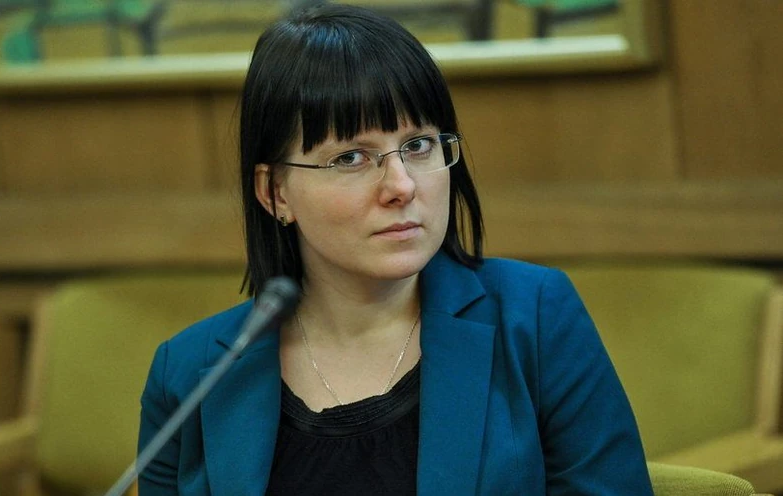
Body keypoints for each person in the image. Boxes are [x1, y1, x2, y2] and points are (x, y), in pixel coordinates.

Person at [138, 4, 653, 495]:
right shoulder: (188, 375)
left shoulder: (534, 318)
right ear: (275, 193)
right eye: (351, 157)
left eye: (418, 145)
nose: (401, 186)